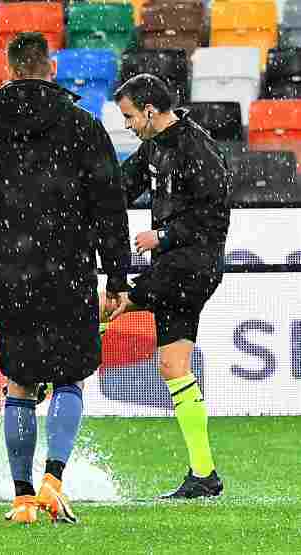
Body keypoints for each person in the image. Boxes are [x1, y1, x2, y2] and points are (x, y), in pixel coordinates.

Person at [0, 32, 131, 524]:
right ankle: (54, 478)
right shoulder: (81, 125)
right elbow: (110, 207)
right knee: (70, 379)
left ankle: (23, 497)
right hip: (69, 269)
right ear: (50, 68)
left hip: (9, 272)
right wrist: (117, 276)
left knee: (21, 385)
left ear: (8, 69)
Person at [105, 73, 230, 499]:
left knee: (111, 305)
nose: (127, 124)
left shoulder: (197, 147)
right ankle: (204, 475)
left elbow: (215, 212)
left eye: (128, 116)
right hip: (177, 266)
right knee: (173, 368)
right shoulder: (154, 148)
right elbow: (119, 188)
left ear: (150, 111)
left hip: (191, 265)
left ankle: (42, 378)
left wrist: (164, 236)